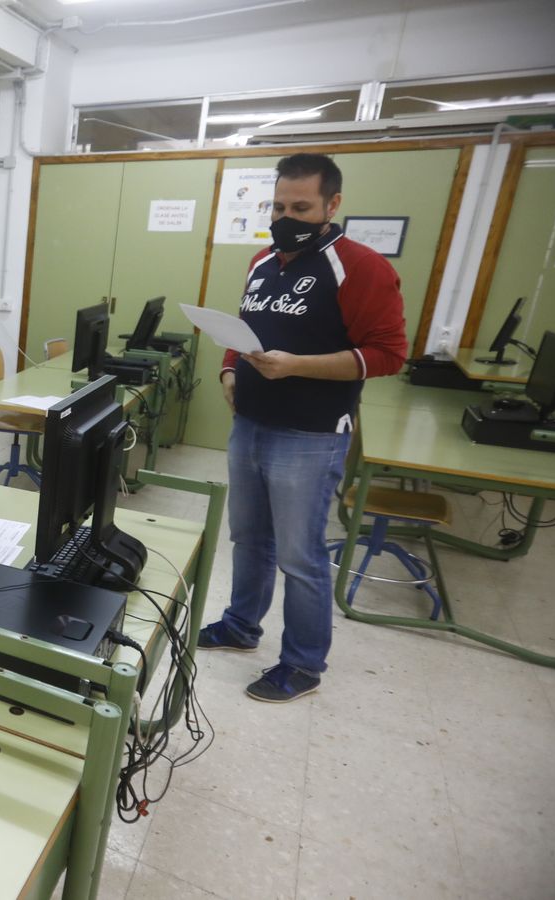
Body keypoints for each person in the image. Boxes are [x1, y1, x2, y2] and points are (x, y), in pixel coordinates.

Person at [199, 153, 407, 703]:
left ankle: (304, 663)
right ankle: (241, 626)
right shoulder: (264, 259)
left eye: (301, 207)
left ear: (332, 205)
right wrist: (228, 368)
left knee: (301, 556)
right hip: (250, 424)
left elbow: (387, 355)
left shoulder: (361, 267)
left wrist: (298, 365)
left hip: (310, 435)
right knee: (248, 539)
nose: (286, 216)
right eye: (278, 205)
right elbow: (248, 325)